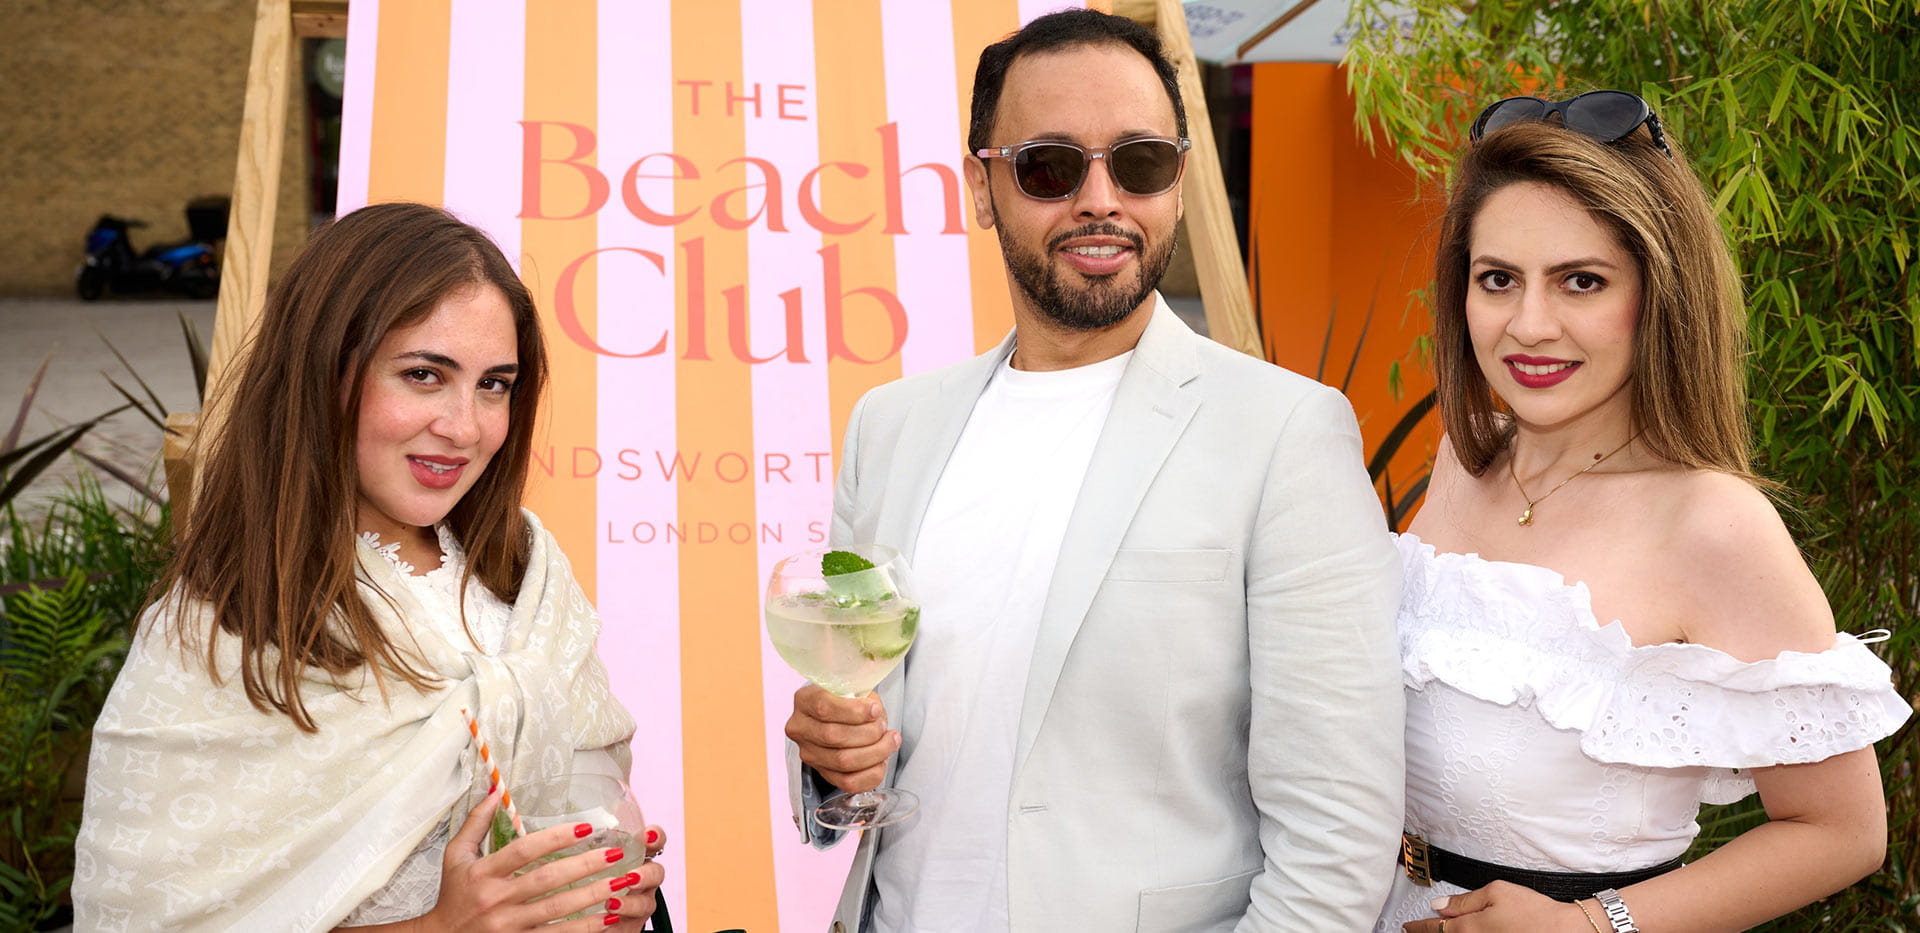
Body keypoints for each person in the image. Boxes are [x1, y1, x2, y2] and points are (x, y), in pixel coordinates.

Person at [783, 11, 1405, 932]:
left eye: (1141, 162)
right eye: (1050, 166)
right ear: (982, 187)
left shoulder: (1284, 434)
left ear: (1179, 182)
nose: (1101, 200)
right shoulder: (892, 426)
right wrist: (833, 764)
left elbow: (1337, 836)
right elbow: (865, 728)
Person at [1377, 96, 1911, 933]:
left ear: (1658, 294)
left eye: (1581, 281)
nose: (1530, 325)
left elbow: (1841, 831)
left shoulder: (1714, 525)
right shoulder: (1463, 459)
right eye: (1498, 279)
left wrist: (1591, 926)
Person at [74, 202, 668, 931]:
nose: (464, 427)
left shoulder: (526, 569)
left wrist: (597, 892)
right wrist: (439, 929)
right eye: (423, 374)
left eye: (494, 384)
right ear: (322, 373)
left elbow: (586, 801)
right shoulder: (219, 627)